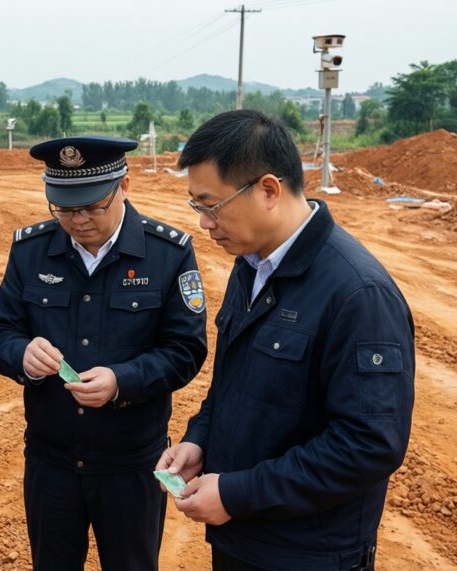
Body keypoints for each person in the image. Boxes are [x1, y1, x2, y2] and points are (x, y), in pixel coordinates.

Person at [157, 109, 415, 571]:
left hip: (308, 553)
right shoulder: (252, 266)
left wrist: (238, 492)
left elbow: (369, 444)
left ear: (269, 190)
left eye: (210, 205)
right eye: (197, 208)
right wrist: (201, 440)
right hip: (243, 538)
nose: (204, 224)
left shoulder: (357, 293)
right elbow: (232, 383)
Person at [0, 136, 208, 571]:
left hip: (131, 466)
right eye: (65, 209)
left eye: (92, 206)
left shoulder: (168, 254)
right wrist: (22, 356)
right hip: (51, 463)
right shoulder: (31, 251)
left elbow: (185, 350)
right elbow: (3, 333)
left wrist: (122, 381)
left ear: (124, 185)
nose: (79, 220)